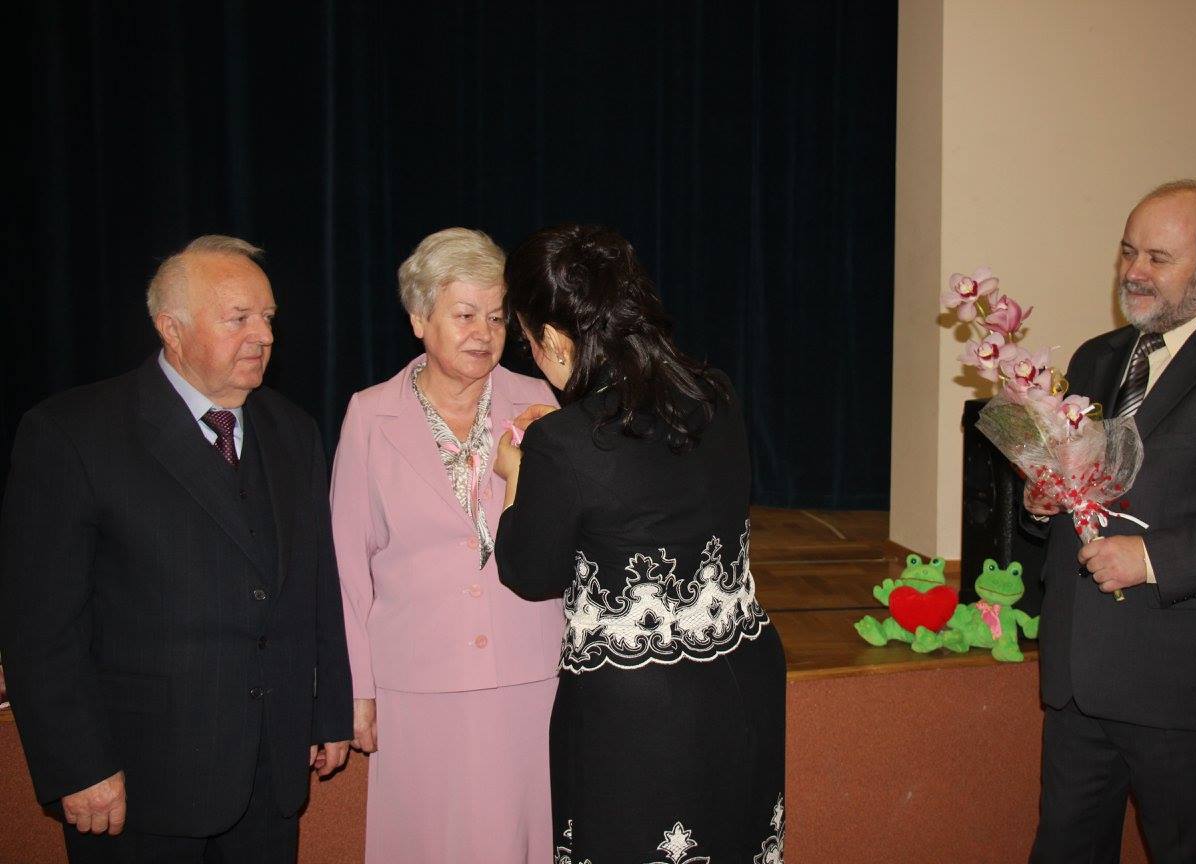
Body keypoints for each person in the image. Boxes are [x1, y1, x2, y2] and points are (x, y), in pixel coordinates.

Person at [0, 235, 353, 863]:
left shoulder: (294, 431)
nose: (263, 336)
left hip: (269, 776)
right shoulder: (73, 433)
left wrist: (325, 712)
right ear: (171, 327)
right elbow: (40, 627)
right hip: (138, 785)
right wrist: (77, 764)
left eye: (268, 317)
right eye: (238, 319)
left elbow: (315, 586)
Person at [493, 224, 787, 862]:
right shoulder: (715, 392)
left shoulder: (562, 443)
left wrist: (518, 475)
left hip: (641, 710)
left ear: (552, 337)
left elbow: (528, 570)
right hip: (743, 675)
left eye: (527, 339)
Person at [1024, 181, 1196, 863]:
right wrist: (1042, 502)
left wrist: (1150, 559)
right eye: (1128, 252)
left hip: (1188, 692)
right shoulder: (1096, 357)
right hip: (1080, 682)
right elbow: (1083, 486)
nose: (1134, 272)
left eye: (1158, 258)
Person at [329, 227, 563, 863]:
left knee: (523, 839)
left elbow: (564, 541)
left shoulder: (538, 402)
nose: (483, 333)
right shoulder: (369, 415)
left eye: (496, 317)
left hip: (528, 673)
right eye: (464, 315)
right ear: (418, 319)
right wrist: (357, 687)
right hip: (416, 682)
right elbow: (348, 563)